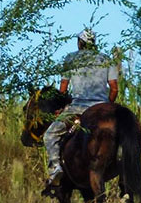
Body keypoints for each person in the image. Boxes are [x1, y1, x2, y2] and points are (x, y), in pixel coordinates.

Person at [43, 29, 119, 188]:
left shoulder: (70, 59)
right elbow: (114, 89)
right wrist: (108, 105)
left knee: (50, 135)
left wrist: (61, 107)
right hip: (102, 107)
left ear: (80, 43)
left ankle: (55, 168)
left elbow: (63, 88)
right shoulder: (106, 60)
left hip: (77, 107)